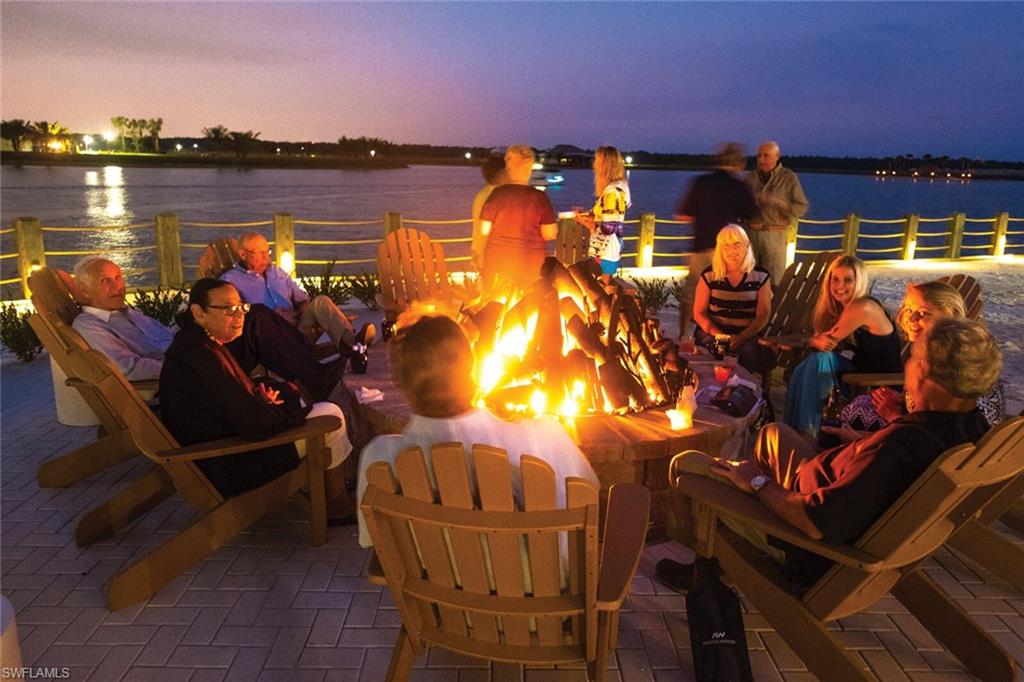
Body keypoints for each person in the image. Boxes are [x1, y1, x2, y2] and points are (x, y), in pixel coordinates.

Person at [659, 317, 1002, 591]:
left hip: (804, 543)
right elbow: (895, 463)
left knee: (686, 467)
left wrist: (759, 482)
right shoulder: (969, 427)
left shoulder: (898, 448)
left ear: (925, 370)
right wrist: (882, 429)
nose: (907, 362)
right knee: (773, 434)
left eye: (912, 355)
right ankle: (730, 536)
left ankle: (709, 567)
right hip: (823, 485)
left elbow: (815, 523)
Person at [356, 314, 599, 549]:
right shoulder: (544, 439)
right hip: (537, 584)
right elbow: (588, 500)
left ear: (402, 383)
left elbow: (372, 539)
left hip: (433, 585)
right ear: (472, 368)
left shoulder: (379, 458)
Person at [159, 279, 356, 520]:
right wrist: (286, 406)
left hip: (224, 440)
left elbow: (230, 402)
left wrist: (261, 399)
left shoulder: (199, 344)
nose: (239, 315)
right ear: (198, 312)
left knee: (303, 402)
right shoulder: (201, 357)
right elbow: (256, 425)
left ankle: (328, 487)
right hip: (229, 462)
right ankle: (336, 503)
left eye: (241, 307)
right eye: (228, 309)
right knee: (331, 416)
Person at [71, 256, 343, 401]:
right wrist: (187, 363)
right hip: (194, 365)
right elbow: (127, 367)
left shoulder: (125, 311)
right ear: (83, 290)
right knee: (255, 321)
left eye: (118, 277)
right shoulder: (90, 324)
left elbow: (162, 335)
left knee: (256, 312)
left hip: (194, 346)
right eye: (105, 281)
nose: (117, 285)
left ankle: (311, 371)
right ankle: (315, 379)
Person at [841, 281, 1005, 432]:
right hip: (935, 431)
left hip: (942, 444)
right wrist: (903, 400)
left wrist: (893, 415)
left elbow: (944, 429)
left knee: (855, 415)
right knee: (858, 407)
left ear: (951, 315)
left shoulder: (954, 360)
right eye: (909, 310)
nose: (912, 318)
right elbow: (935, 407)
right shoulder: (942, 352)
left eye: (924, 313)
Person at [783, 255, 902, 438]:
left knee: (821, 361)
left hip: (881, 384)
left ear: (859, 282)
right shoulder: (844, 309)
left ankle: (808, 432)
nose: (840, 286)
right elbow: (824, 342)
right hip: (860, 373)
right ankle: (795, 431)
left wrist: (811, 341)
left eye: (848, 280)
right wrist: (816, 341)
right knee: (807, 366)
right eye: (835, 280)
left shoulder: (863, 306)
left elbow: (824, 341)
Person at [220, 232, 375, 373]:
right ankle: (354, 347)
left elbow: (301, 300)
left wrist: (308, 316)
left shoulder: (276, 272)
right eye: (259, 254)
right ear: (242, 254)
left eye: (267, 252)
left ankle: (350, 343)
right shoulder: (230, 282)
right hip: (272, 340)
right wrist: (270, 319)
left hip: (298, 330)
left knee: (321, 301)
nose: (266, 258)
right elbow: (234, 317)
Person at [674, 142, 758, 337]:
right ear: (740, 163)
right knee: (723, 293)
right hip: (728, 250)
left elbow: (683, 215)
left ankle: (684, 334)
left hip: (701, 245)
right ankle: (718, 334)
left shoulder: (701, 182)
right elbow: (753, 217)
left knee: (691, 292)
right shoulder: (739, 187)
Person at [691, 225, 773, 373]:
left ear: (747, 246)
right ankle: (716, 389)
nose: (732, 250)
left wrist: (742, 336)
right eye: (726, 246)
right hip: (715, 332)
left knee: (748, 352)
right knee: (718, 350)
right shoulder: (709, 275)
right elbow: (699, 313)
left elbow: (763, 314)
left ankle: (739, 389)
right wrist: (721, 336)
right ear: (719, 249)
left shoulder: (761, 277)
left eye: (737, 244)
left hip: (746, 332)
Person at [479, 145, 558, 291]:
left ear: (508, 168)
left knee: (494, 303)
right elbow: (550, 234)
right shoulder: (539, 197)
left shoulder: (497, 194)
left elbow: (484, 229)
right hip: (531, 264)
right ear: (529, 169)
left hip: (497, 261)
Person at [745, 141, 809, 287]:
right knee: (750, 279)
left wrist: (781, 203)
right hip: (751, 236)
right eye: (759, 156)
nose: (761, 160)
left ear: (777, 156)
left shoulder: (788, 177)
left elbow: (802, 207)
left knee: (774, 281)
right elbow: (739, 205)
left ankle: (773, 309)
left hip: (774, 236)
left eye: (766, 156)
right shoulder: (750, 178)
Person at [573, 146, 631, 276]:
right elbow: (607, 219)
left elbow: (609, 229)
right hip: (605, 251)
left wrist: (585, 222)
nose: (594, 165)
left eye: (596, 161)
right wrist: (587, 215)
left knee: (601, 291)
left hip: (605, 253)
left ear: (604, 166)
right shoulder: (615, 190)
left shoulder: (613, 193)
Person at [471, 154, 507, 271]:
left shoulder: (482, 194)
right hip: (492, 254)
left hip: (482, 250)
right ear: (499, 174)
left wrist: (476, 251)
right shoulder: (497, 195)